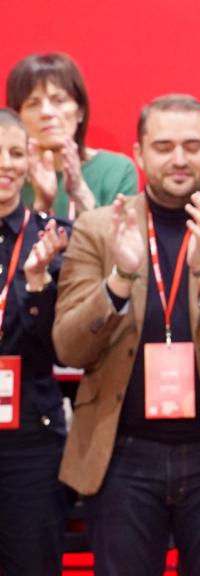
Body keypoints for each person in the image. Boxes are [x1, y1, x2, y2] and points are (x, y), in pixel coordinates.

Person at [53, 94, 200, 575]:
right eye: (163, 146)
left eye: (192, 145)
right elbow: (68, 347)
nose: (179, 158)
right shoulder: (98, 229)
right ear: (139, 153)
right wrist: (119, 279)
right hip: (122, 458)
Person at [0, 109, 70, 574]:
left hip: (30, 434)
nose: (5, 164)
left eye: (15, 152)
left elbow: (62, 348)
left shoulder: (53, 237)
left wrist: (39, 283)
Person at [6, 53, 137, 219]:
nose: (46, 112)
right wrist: (41, 206)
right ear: (18, 117)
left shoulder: (117, 170)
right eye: (33, 103)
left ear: (80, 112)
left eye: (58, 100)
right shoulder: (10, 172)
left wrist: (79, 191)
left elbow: (117, 242)